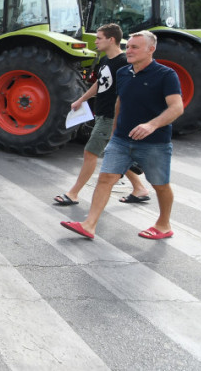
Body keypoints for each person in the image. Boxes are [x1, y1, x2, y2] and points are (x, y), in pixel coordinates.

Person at [61, 30, 183, 240]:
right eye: (129, 46)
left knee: (160, 185)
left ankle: (164, 225)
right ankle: (89, 225)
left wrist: (151, 125)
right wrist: (115, 133)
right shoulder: (124, 72)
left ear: (151, 49)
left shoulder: (166, 75)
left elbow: (177, 107)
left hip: (154, 142)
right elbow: (120, 102)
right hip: (121, 140)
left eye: (135, 47)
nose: (130, 50)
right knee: (105, 178)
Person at [53, 23, 149, 206]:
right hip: (102, 114)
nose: (95, 41)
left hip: (111, 117)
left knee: (90, 152)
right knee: (115, 152)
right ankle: (139, 188)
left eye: (99, 38)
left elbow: (129, 93)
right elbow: (100, 83)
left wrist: (120, 120)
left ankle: (73, 193)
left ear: (111, 39)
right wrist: (81, 100)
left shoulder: (124, 63)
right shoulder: (106, 60)